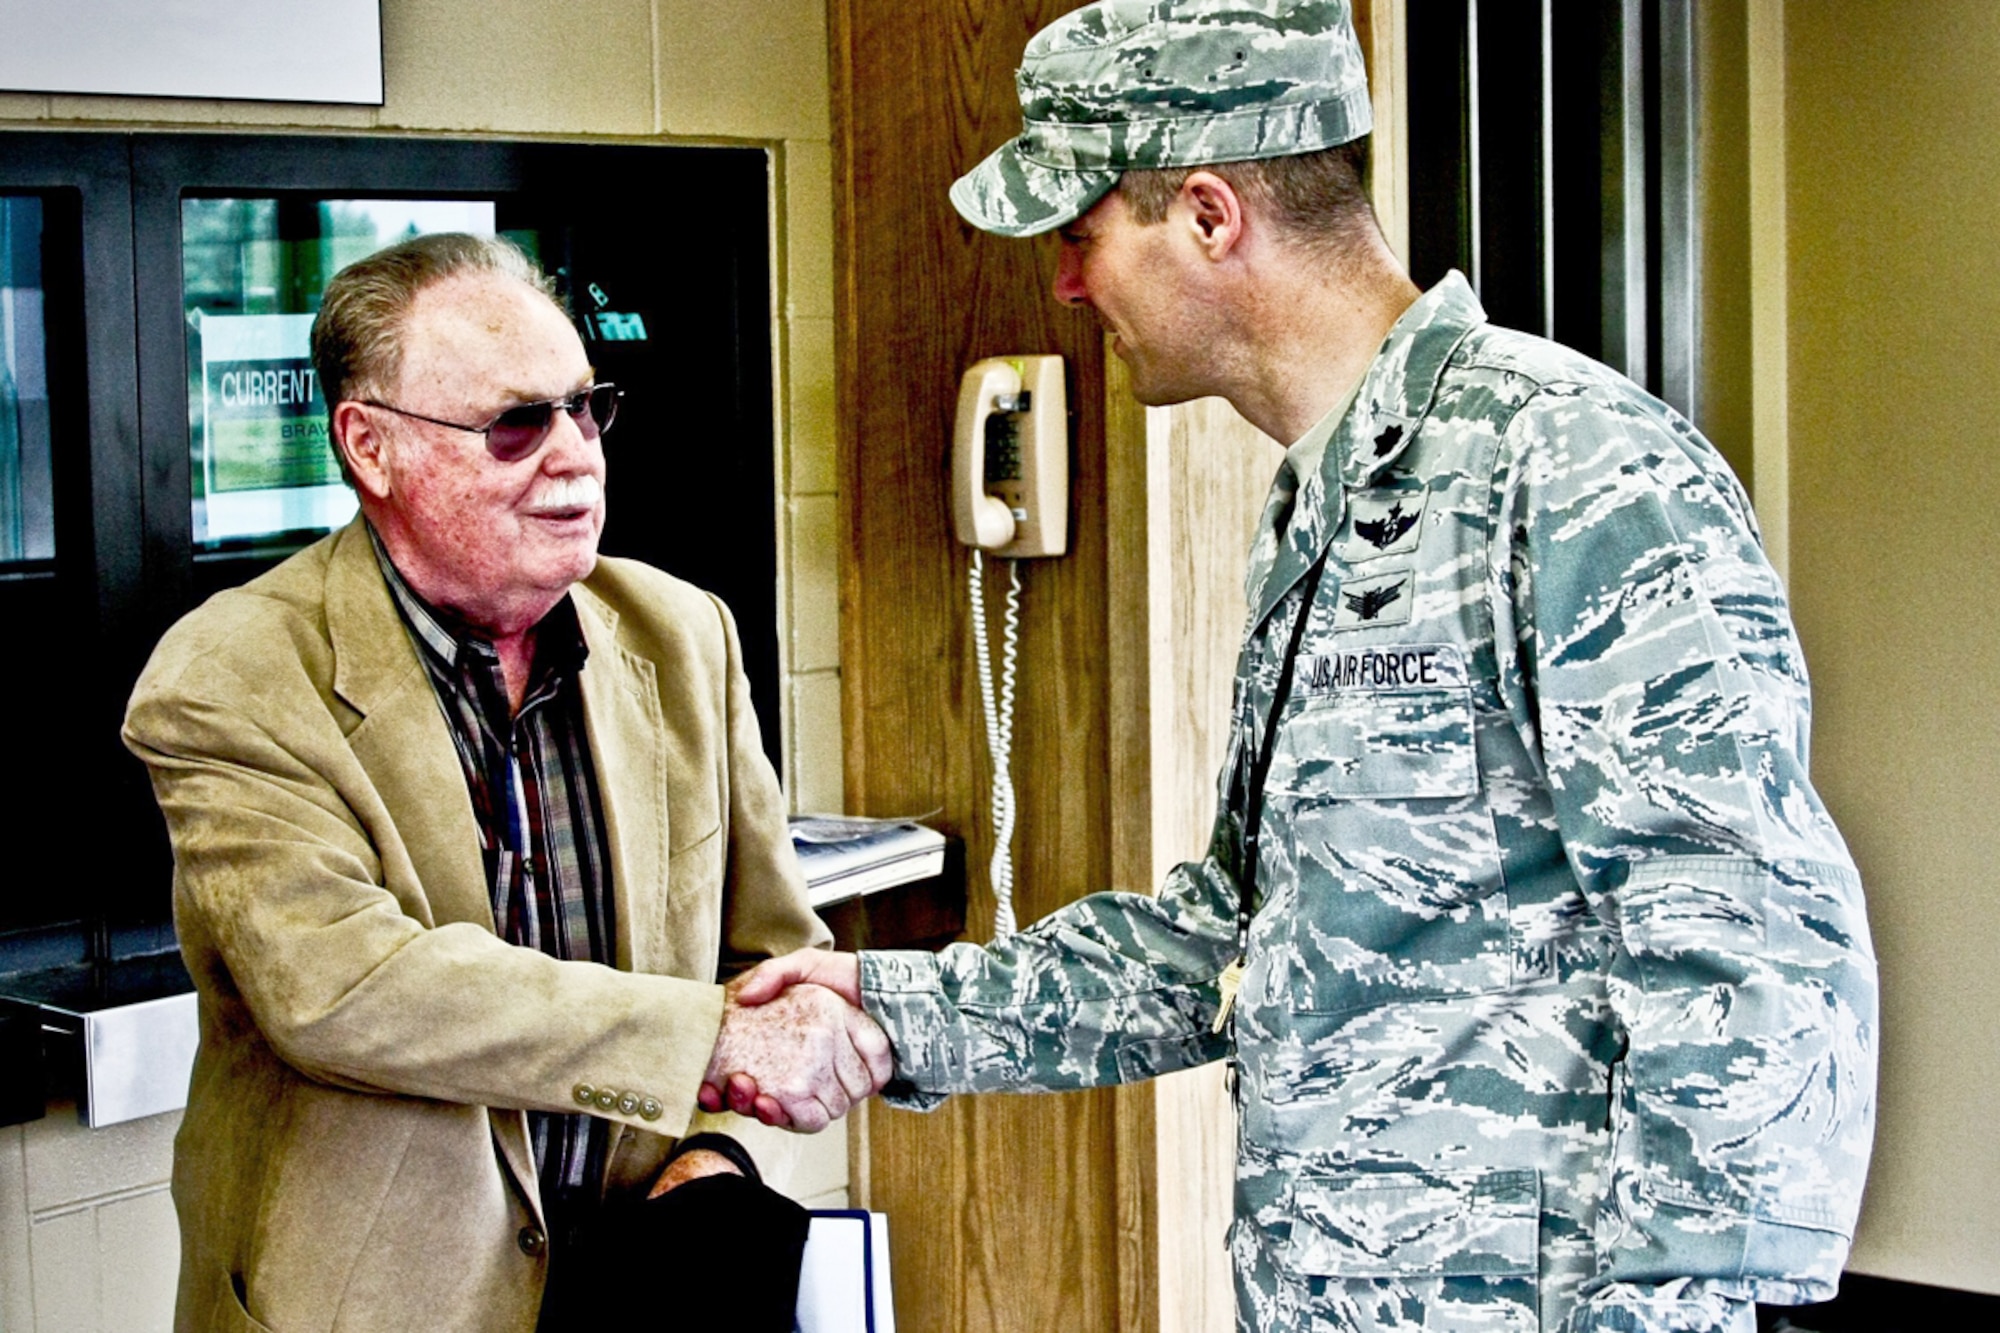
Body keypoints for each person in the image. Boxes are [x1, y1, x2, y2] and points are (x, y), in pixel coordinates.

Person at [721, 2, 1879, 1330]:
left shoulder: (1571, 471)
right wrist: (893, 1011)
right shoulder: (1328, 506)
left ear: (1210, 216)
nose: (1067, 283)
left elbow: (1753, 955)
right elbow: (1233, 932)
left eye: (1082, 231)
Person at [123, 232, 890, 1333]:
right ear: (371, 448)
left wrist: (716, 1148)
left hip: (653, 1283)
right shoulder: (233, 676)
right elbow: (345, 987)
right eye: (515, 425)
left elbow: (765, 959)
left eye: (586, 407)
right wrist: (700, 1040)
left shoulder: (681, 633)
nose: (575, 457)